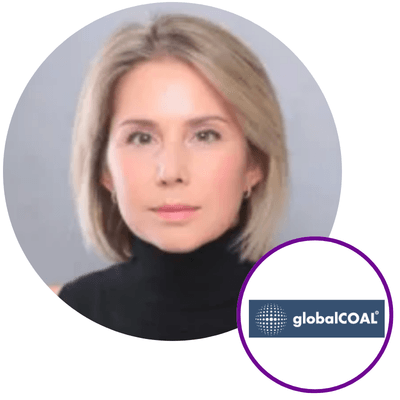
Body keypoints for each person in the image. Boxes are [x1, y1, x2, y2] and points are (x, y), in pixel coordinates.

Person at [58, 14, 288, 340]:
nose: (171, 172)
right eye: (141, 138)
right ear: (105, 170)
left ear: (254, 164)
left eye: (205, 135)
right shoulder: (66, 310)